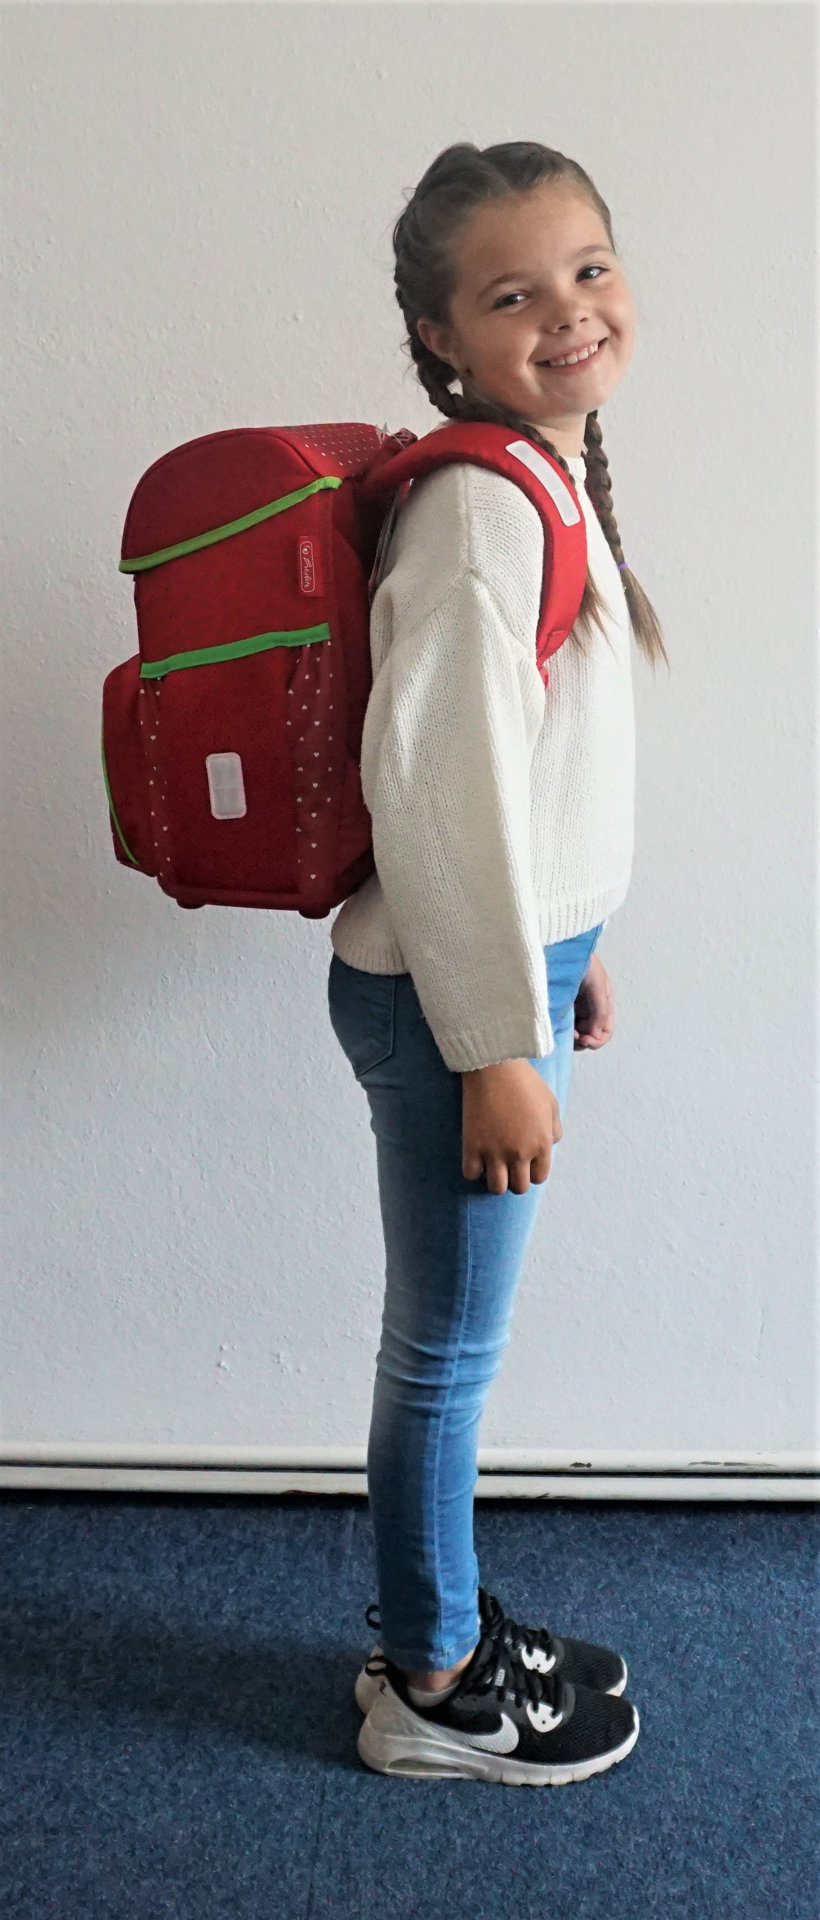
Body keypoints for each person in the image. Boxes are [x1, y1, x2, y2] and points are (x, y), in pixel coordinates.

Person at [327, 140, 669, 1787]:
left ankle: (437, 1626)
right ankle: (433, 1684)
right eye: (514, 294)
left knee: (451, 1340)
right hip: (454, 1001)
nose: (569, 311)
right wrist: (495, 1043)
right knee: (444, 1353)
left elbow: (535, 777)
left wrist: (574, 941)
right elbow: (440, 802)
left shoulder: (549, 471)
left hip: (506, 969)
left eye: (589, 268)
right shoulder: (479, 510)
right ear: (442, 337)